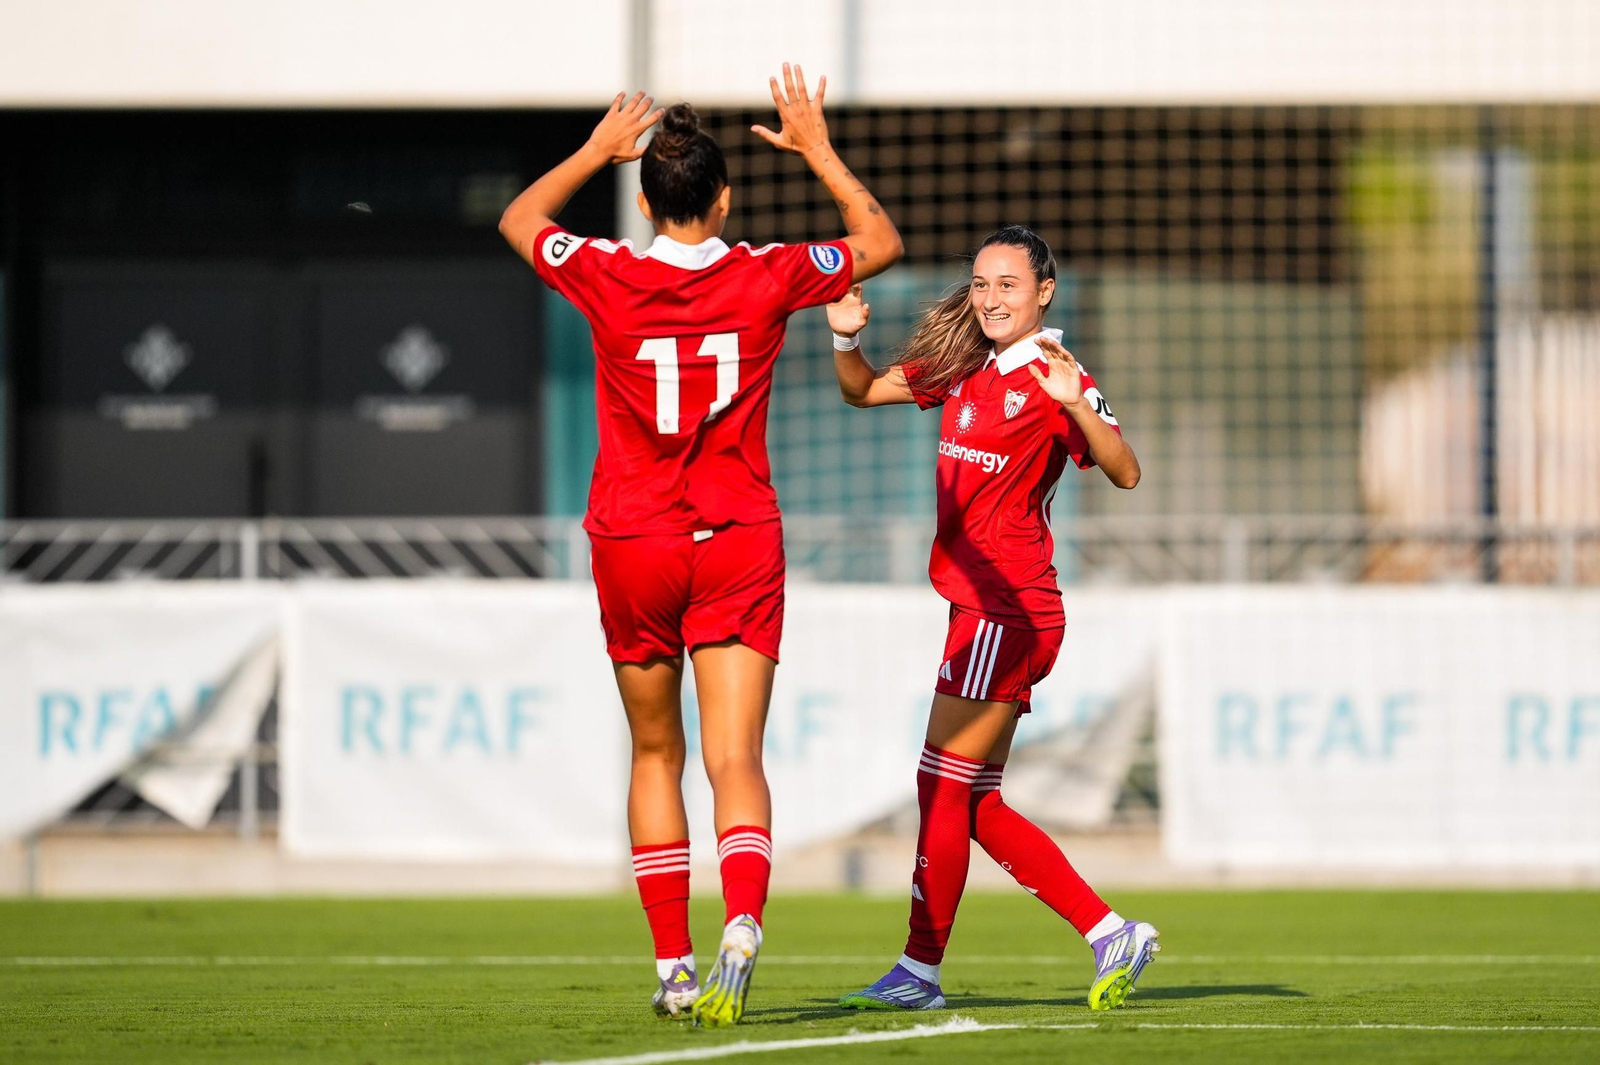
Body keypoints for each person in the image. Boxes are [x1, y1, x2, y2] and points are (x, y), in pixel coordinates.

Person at [498, 66, 902, 1027]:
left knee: (654, 750)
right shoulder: (768, 272)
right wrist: (818, 149)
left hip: (636, 537)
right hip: (736, 537)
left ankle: (675, 965)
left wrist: (595, 149)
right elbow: (881, 241)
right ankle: (744, 921)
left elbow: (518, 219)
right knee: (736, 757)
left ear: (644, 203)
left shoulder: (605, 271)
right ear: (724, 200)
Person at [824, 224, 1156, 1012]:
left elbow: (1126, 470)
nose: (990, 298)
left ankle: (918, 969)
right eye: (981, 283)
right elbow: (861, 390)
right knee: (973, 798)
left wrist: (1078, 406)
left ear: (1044, 292)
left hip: (1007, 608)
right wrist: (845, 339)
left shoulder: (1056, 373)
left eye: (1007, 284)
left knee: (940, 784)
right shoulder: (964, 362)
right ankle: (1110, 932)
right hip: (982, 609)